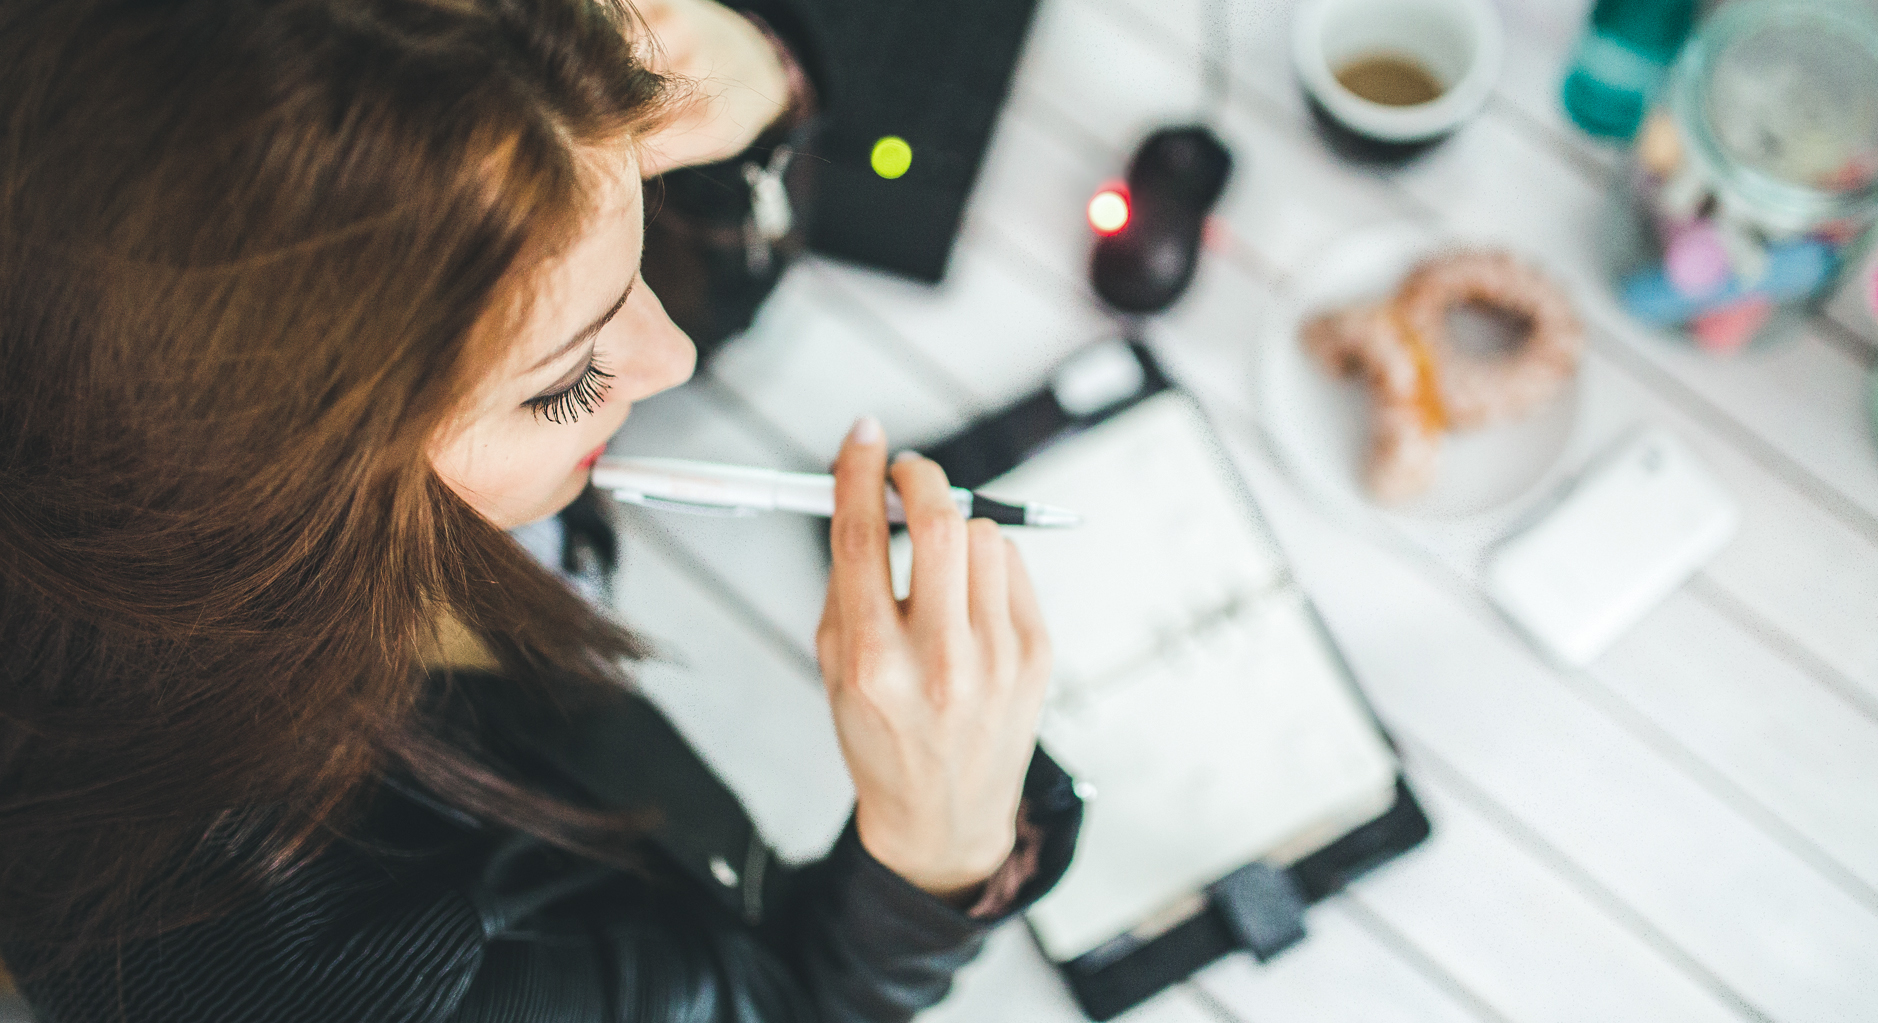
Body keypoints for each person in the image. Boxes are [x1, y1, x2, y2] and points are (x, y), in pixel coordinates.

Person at [0, 0, 1078, 1020]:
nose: (671, 358)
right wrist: (931, 859)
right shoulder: (326, 973)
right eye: (562, 382)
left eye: (637, 230)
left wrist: (757, 69)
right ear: (291, 475)